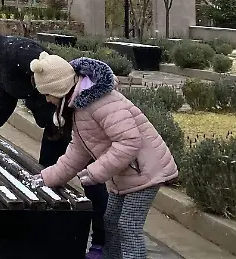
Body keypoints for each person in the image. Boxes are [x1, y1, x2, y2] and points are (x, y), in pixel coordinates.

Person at [0, 10, 108, 258]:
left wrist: (69, 116)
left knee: (91, 182)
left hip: (75, 125)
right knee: (46, 174)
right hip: (55, 129)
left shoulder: (17, 51)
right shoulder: (0, 62)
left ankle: (101, 241)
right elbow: (5, 99)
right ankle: (56, 237)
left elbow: (62, 76)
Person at [27, 53, 179, 259]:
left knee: (128, 226)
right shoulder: (79, 105)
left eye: (47, 93)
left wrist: (96, 172)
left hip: (145, 171)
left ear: (59, 88)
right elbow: (77, 152)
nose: (47, 99)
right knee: (110, 221)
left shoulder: (100, 102)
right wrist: (48, 177)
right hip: (125, 172)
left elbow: (129, 141)